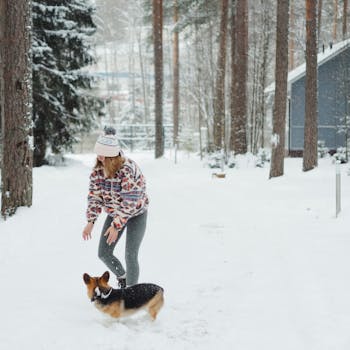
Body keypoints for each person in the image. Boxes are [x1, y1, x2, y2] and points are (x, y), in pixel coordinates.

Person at [82, 127, 149, 289]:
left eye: (103, 154)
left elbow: (130, 202)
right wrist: (91, 221)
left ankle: (132, 294)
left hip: (136, 213)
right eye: (98, 153)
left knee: (130, 255)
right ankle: (123, 278)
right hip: (114, 213)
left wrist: (115, 226)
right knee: (103, 253)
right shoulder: (98, 171)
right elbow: (95, 196)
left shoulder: (127, 169)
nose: (99, 157)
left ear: (112, 155)